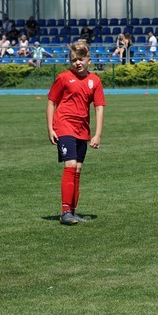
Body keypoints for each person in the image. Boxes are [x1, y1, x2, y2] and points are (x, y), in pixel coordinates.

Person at [47, 40, 106, 226]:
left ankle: (72, 211)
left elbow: (99, 108)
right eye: (73, 60)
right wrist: (50, 128)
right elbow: (51, 102)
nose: (77, 63)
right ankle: (65, 211)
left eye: (80, 59)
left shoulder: (95, 81)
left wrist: (97, 134)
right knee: (70, 165)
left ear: (89, 60)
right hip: (64, 125)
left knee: (78, 169)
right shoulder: (63, 78)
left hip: (82, 129)